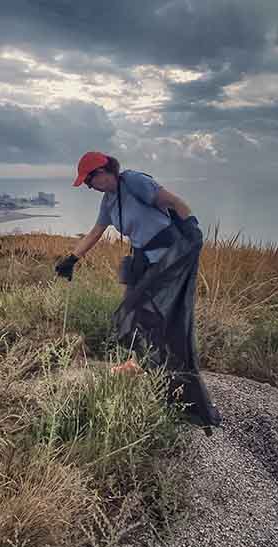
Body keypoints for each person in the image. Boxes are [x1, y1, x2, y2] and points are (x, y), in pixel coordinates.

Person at [54, 151, 222, 434]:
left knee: (160, 320)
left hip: (169, 258)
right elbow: (96, 232)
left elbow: (174, 202)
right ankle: (136, 362)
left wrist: (192, 226)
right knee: (133, 312)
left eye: (90, 180)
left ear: (104, 172)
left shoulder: (134, 182)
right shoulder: (109, 201)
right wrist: (72, 258)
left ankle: (179, 390)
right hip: (144, 260)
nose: (89, 187)